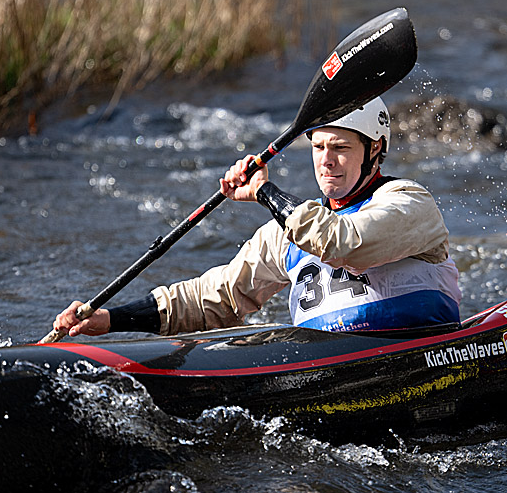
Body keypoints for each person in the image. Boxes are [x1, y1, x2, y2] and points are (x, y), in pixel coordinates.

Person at [52, 97, 462, 337]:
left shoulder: (409, 202)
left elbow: (345, 244)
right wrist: (110, 319)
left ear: (375, 151)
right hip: (326, 370)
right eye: (318, 148)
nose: (326, 162)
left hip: (417, 351)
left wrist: (265, 192)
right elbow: (215, 298)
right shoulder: (283, 235)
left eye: (340, 147)